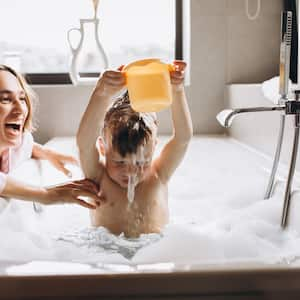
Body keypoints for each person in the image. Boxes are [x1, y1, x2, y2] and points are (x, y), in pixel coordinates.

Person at [77, 60, 193, 237]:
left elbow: (183, 138)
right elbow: (84, 143)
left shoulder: (159, 174)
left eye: (142, 161)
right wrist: (101, 94)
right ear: (102, 147)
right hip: (108, 253)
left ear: (154, 148)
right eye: (119, 162)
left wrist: (176, 90)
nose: (131, 171)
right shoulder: (98, 178)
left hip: (153, 253)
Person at [0, 64, 100, 209]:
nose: (21, 109)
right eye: (5, 99)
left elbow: (26, 145)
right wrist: (46, 194)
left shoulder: (17, 145)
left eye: (22, 99)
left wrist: (47, 153)